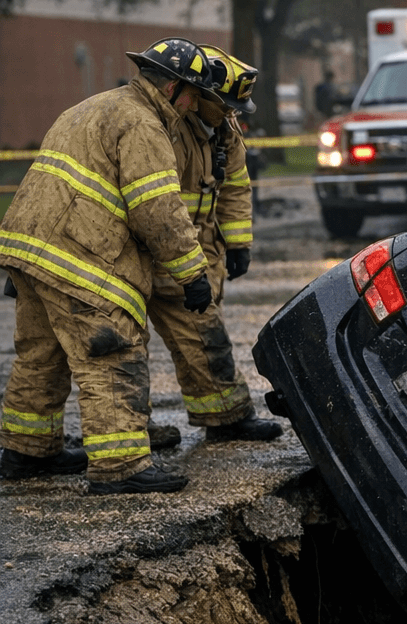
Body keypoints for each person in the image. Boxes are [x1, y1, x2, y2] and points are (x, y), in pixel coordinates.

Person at [0, 38, 215, 493]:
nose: (196, 105)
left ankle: (26, 450)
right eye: (195, 94)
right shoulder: (143, 124)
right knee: (111, 352)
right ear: (174, 87)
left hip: (32, 249)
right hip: (81, 257)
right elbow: (156, 209)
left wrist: (29, 261)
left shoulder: (91, 106)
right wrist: (193, 273)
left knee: (42, 355)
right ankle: (121, 466)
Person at [143, 43, 283, 450]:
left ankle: (226, 418)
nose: (230, 113)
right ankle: (130, 432)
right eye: (223, 104)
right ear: (199, 94)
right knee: (122, 347)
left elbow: (236, 186)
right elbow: (155, 203)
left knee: (206, 336)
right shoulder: (165, 130)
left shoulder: (225, 132)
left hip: (194, 250)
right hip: (150, 250)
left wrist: (239, 243)